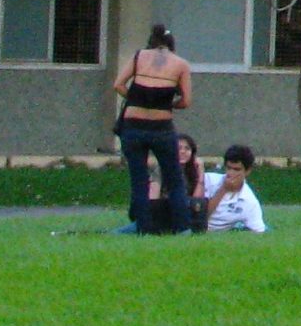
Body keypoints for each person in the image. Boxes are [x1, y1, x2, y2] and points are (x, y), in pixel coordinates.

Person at [111, 22, 193, 235]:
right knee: (174, 178)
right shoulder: (181, 64)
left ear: (152, 41)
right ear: (171, 44)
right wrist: (167, 104)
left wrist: (137, 99)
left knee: (139, 180)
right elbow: (186, 100)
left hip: (133, 126)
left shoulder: (139, 57)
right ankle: (182, 227)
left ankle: (142, 227)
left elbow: (118, 84)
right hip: (161, 127)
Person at [199, 143, 268, 234]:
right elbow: (200, 218)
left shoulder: (249, 201)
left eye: (236, 169)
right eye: (228, 168)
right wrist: (223, 189)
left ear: (247, 171)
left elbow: (259, 231)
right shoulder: (208, 181)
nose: (231, 173)